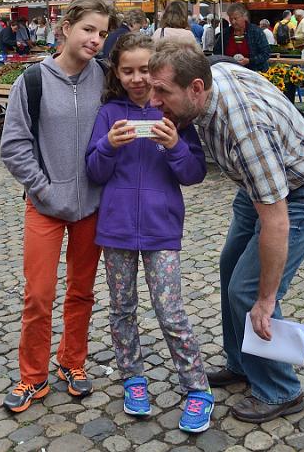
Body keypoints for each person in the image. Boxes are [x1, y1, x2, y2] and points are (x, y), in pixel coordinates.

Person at [147, 42, 304, 423]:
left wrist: (266, 299)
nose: (154, 101)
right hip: (258, 184)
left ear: (196, 88)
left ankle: (281, 390)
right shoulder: (210, 80)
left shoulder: (244, 129)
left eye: (163, 91)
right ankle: (242, 364)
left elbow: (277, 219)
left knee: (250, 290)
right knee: (229, 267)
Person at [85, 33, 213, 433]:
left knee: (170, 312)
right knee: (122, 309)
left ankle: (197, 389)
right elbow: (93, 171)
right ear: (117, 73)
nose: (138, 78)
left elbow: (194, 174)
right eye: (129, 71)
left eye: (145, 70)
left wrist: (176, 146)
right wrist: (106, 145)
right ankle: (133, 377)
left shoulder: (174, 114)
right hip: (118, 229)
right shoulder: (109, 114)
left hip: (161, 230)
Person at [0, 0, 116, 413]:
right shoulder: (32, 80)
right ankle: (32, 377)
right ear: (65, 28)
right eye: (88, 29)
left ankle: (72, 362)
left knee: (82, 292)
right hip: (46, 206)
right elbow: (14, 146)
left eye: (102, 33)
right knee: (39, 295)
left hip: (92, 206)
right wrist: (43, 188)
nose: (95, 39)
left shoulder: (106, 78)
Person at [212, 3, 270, 72]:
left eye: (235, 18)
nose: (233, 22)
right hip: (231, 72)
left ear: (243, 17)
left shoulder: (256, 31)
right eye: (231, 19)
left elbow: (266, 53)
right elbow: (216, 51)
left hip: (254, 72)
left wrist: (250, 61)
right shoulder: (225, 33)